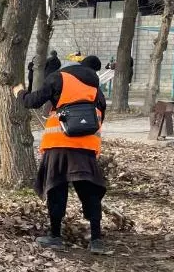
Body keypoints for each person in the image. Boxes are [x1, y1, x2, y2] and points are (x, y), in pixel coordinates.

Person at [14, 55, 108, 254]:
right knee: (90, 193)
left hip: (59, 145)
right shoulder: (96, 89)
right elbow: (101, 116)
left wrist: (19, 92)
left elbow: (32, 101)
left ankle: (55, 236)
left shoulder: (58, 78)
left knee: (57, 188)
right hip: (87, 147)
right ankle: (97, 240)